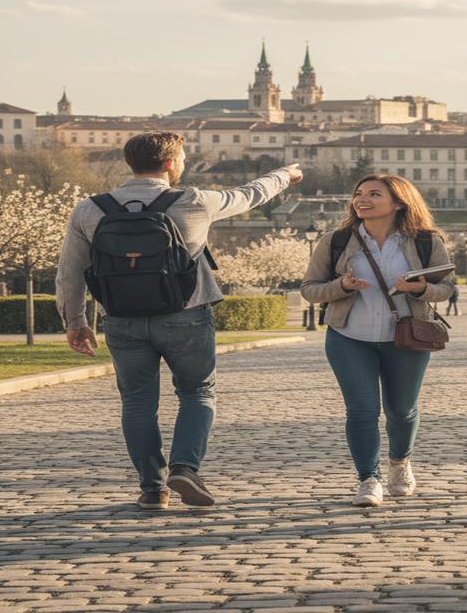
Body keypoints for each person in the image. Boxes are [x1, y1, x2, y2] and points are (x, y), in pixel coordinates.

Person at [55, 131, 303, 511]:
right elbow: (250, 193)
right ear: (171, 163)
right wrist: (284, 175)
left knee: (137, 402)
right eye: (183, 157)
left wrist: (75, 321)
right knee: (197, 392)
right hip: (185, 315)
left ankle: (152, 488)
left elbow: (70, 273)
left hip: (121, 319)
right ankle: (185, 467)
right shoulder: (193, 201)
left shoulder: (90, 209)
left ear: (130, 162)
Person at [301, 174, 455, 507]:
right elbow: (310, 289)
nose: (362, 199)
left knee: (401, 410)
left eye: (374, 194)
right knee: (361, 411)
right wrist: (341, 286)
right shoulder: (336, 241)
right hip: (348, 337)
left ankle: (400, 462)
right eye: (359, 193)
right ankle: (368, 479)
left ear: (399, 202)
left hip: (407, 337)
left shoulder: (426, 241)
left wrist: (420, 289)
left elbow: (447, 287)